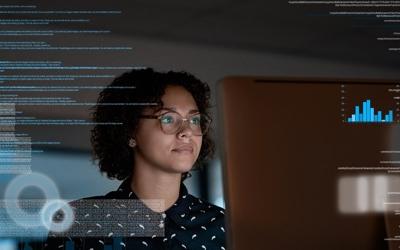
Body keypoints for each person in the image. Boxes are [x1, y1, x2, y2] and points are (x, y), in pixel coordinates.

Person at [35, 68, 226, 250]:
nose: (187, 132)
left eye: (194, 120)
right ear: (130, 131)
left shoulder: (224, 225)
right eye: (168, 119)